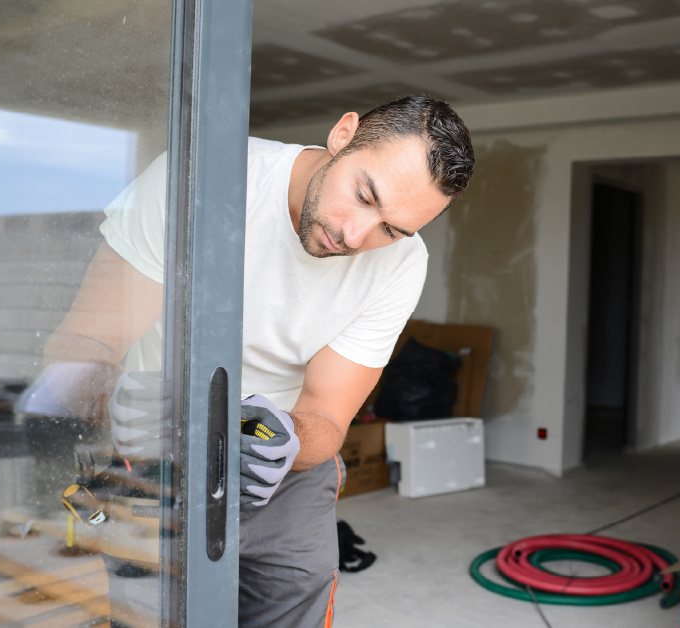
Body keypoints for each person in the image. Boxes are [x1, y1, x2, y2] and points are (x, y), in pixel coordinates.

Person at [37, 95, 475, 627]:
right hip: (148, 454)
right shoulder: (201, 179)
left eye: (392, 229)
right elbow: (83, 342)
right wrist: (110, 401)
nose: (356, 236)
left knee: (297, 592)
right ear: (343, 133)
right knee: (147, 611)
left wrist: (288, 438)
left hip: (278, 470)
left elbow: (328, 418)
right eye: (363, 195)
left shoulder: (401, 264)